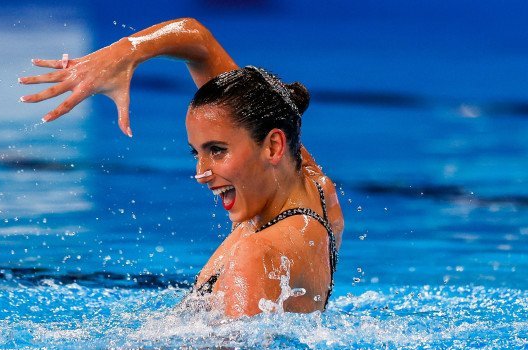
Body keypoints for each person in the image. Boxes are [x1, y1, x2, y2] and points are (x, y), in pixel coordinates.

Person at [19, 18, 344, 316]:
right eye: (197, 153)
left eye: (217, 151)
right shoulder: (316, 191)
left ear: (273, 146)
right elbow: (198, 42)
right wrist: (125, 53)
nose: (201, 174)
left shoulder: (257, 254)